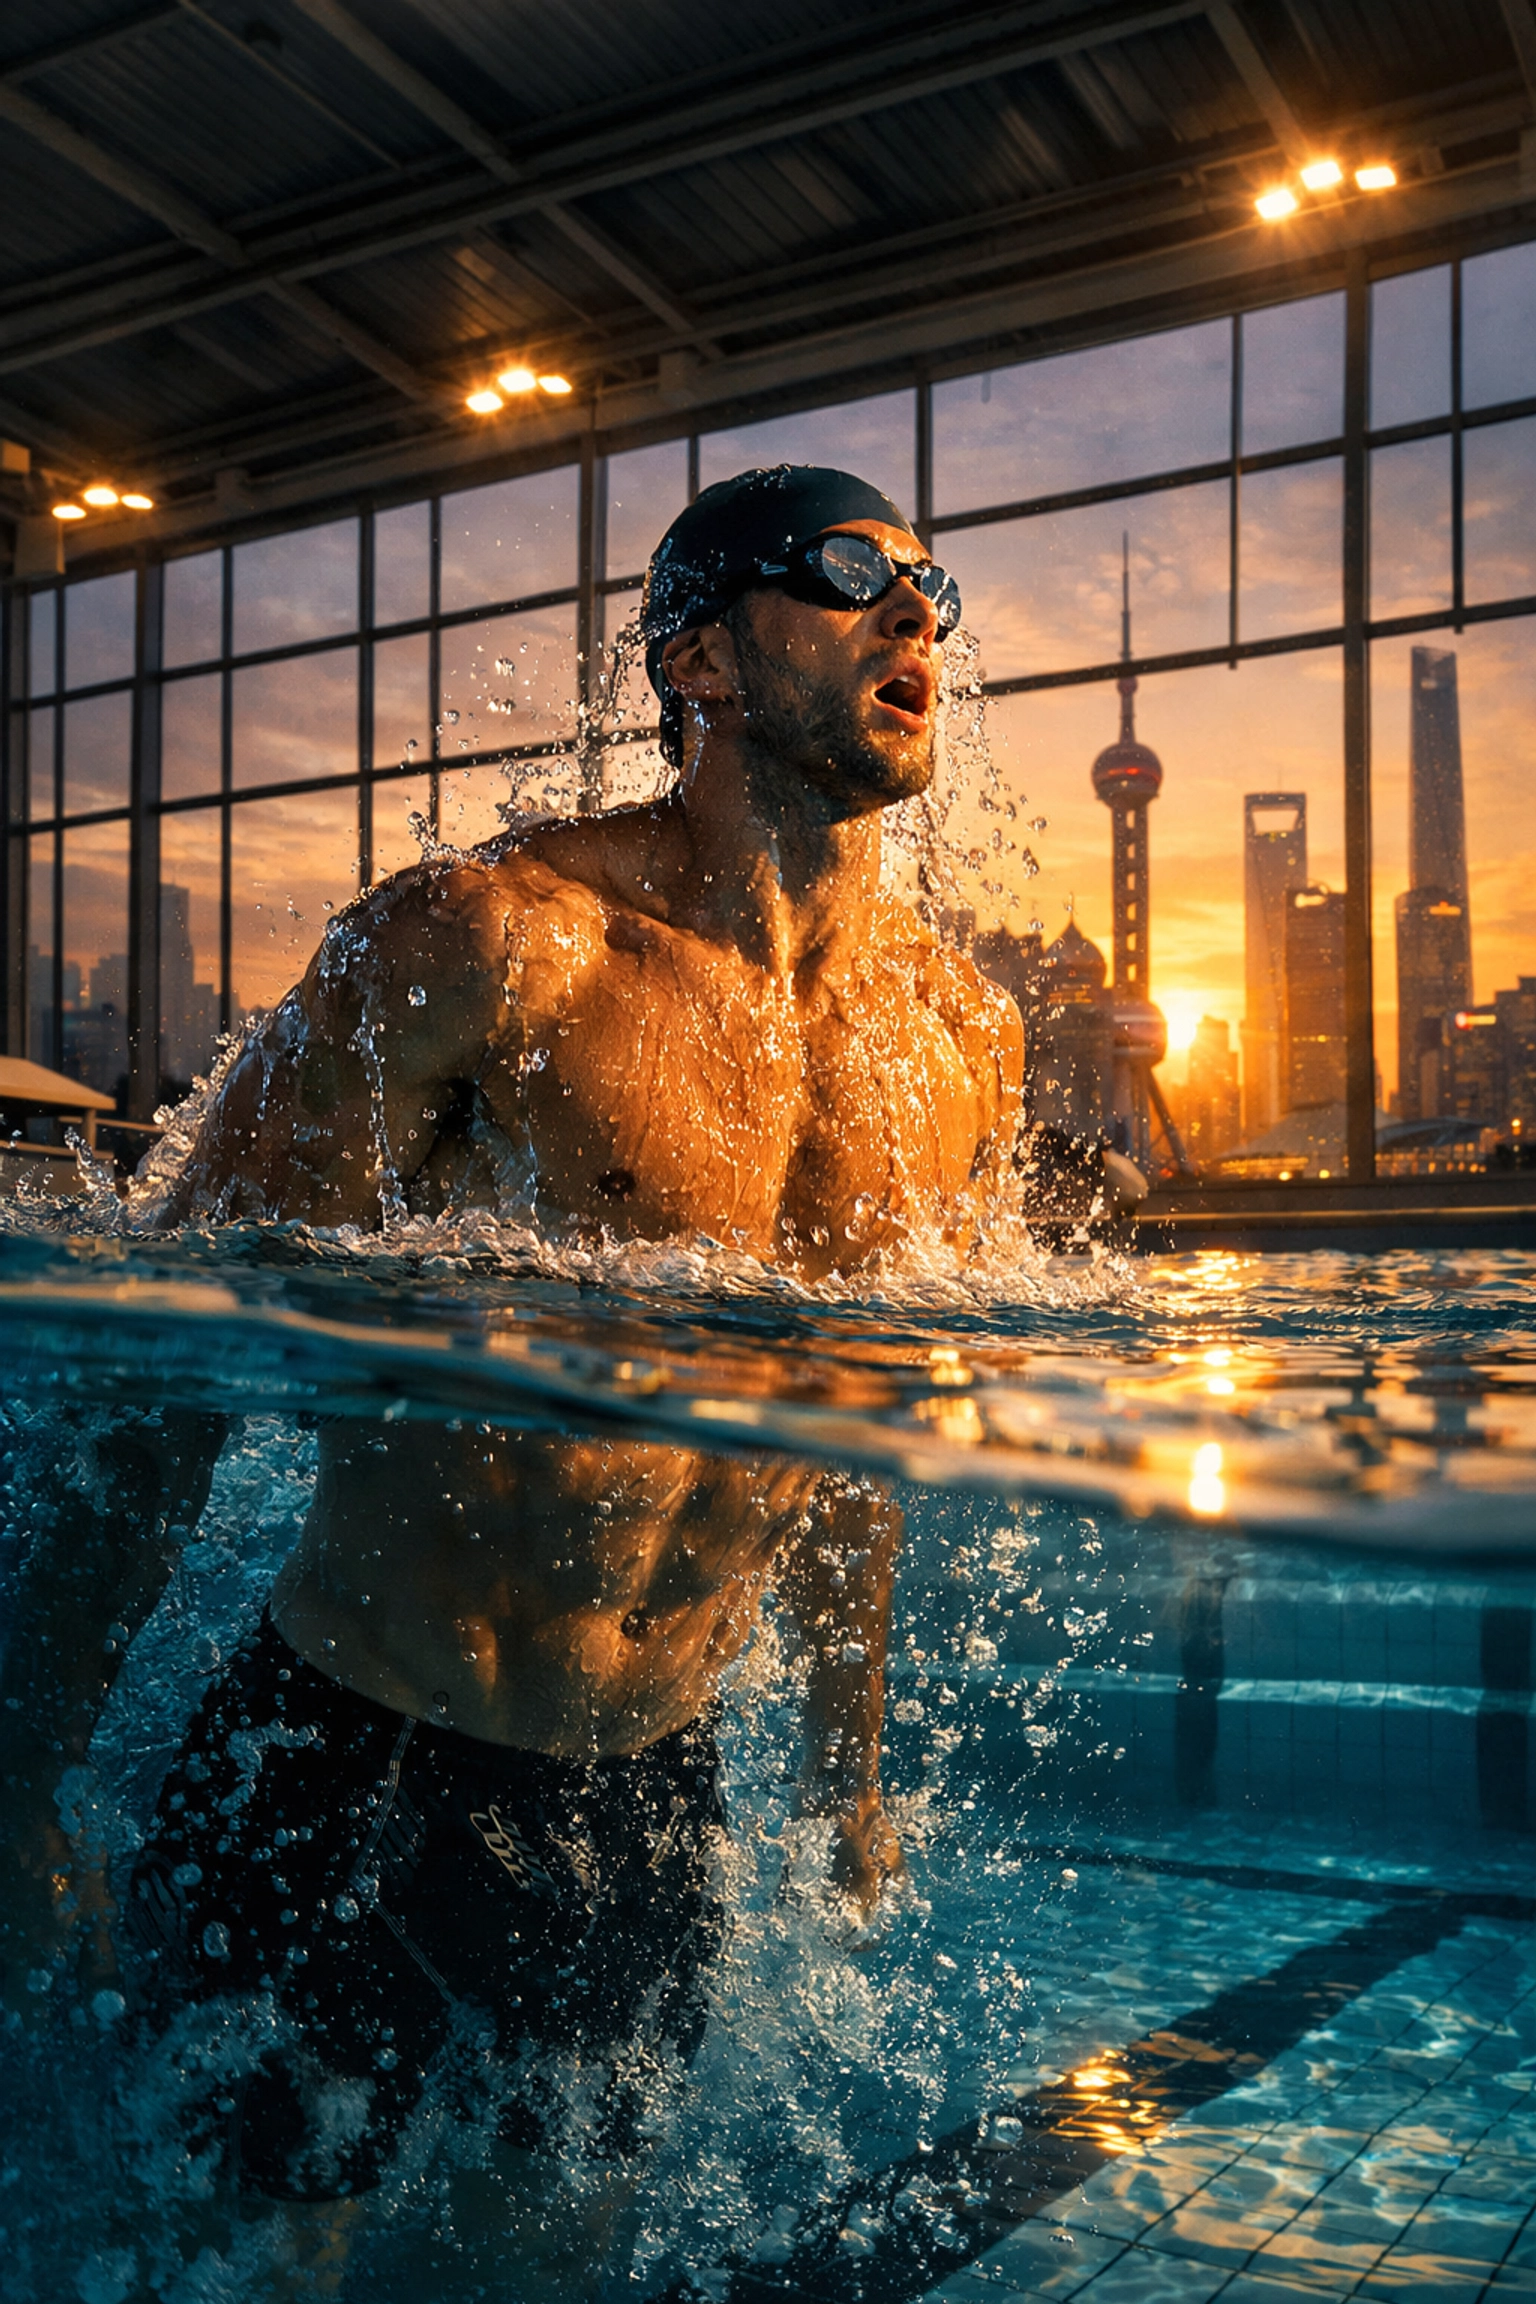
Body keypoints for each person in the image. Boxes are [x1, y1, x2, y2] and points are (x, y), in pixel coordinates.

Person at [2, 467, 1025, 2284]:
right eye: (855, 576)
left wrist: (847, 1766)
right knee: (259, 2265)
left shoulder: (960, 1037)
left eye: (931, 585)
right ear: (696, 654)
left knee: (549, 2262)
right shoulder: (487, 942)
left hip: (647, 1785)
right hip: (355, 1756)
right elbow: (174, 1359)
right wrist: (24, 1771)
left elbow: (858, 1425)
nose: (913, 616)